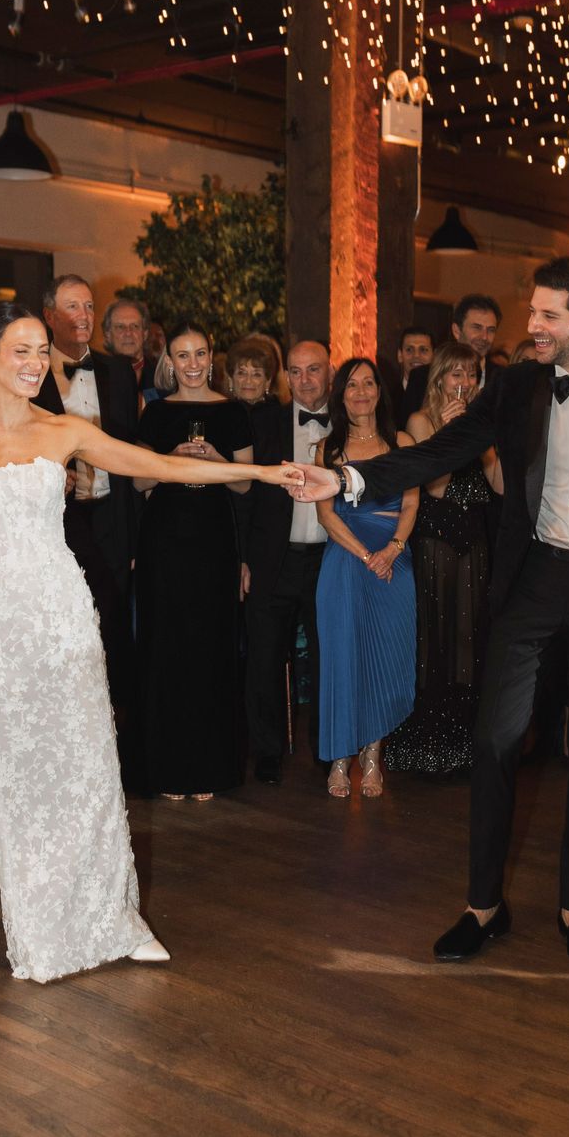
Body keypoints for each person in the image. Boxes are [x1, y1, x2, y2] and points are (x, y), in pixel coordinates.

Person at [0, 303, 300, 982]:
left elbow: (159, 465)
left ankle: (116, 920)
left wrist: (268, 474)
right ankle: (40, 933)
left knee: (88, 769)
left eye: (42, 351)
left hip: (62, 616)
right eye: (22, 351)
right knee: (18, 782)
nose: (36, 363)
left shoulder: (66, 431)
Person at [291, 257, 569, 966]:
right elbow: (440, 450)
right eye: (532, 312)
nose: (531, 326)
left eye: (547, 316)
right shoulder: (514, 386)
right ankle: (483, 906)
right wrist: (347, 478)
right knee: (493, 742)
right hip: (533, 578)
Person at [134, 320, 255, 800]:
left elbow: (244, 483)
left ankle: (208, 768)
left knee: (211, 647)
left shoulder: (233, 411)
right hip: (164, 541)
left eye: (199, 353)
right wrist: (171, 459)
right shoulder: (155, 412)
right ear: (170, 361)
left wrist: (217, 460)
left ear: (211, 356)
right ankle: (167, 767)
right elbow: (139, 481)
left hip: (213, 541)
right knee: (166, 646)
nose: (192, 364)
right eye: (182, 355)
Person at [385, 343, 497, 777]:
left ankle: (466, 746)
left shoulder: (480, 420)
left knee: (471, 638)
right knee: (436, 637)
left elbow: (499, 484)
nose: (463, 383)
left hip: (474, 537)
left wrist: (484, 439)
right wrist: (453, 434)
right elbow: (434, 487)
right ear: (439, 378)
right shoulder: (421, 421)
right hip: (435, 538)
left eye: (470, 375)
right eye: (455, 374)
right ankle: (428, 746)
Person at [315, 360, 417, 798]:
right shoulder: (327, 449)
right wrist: (365, 555)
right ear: (341, 394)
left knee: (387, 654)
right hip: (345, 559)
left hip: (395, 558)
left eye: (368, 383)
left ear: (380, 390)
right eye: (352, 385)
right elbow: (325, 514)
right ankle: (340, 758)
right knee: (342, 656)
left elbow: (411, 504)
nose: (361, 392)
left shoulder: (403, 442)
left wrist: (391, 550)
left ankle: (373, 755)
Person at [39, 275, 138, 708]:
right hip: (57, 521)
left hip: (113, 514)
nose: (84, 316)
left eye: (89, 306)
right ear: (49, 316)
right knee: (65, 626)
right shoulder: (31, 374)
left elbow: (131, 453)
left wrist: (133, 534)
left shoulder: (118, 371)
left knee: (114, 627)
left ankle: (117, 724)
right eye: (72, 306)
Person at [242, 340, 332, 784]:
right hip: (272, 559)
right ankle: (267, 752)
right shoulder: (264, 422)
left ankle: (327, 750)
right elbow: (245, 496)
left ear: (329, 372)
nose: (304, 380)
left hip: (329, 560)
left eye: (313, 369)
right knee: (264, 657)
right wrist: (243, 558)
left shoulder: (350, 422)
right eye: (295, 372)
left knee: (328, 657)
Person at [102, 294, 158, 404]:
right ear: (108, 335)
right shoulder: (96, 379)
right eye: (120, 327)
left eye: (135, 326)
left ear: (145, 334)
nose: (128, 333)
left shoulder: (163, 380)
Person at [452, 294, 503, 391]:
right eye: (477, 328)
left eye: (491, 330)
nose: (484, 337)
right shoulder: (426, 377)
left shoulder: (503, 380)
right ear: (457, 331)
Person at [225, 335, 280, 412]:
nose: (248, 381)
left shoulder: (281, 416)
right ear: (231, 380)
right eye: (241, 373)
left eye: (256, 374)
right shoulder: (219, 415)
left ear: (268, 382)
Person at [393, 327, 434, 430]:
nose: (416, 356)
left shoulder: (443, 395)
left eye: (423, 350)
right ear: (400, 355)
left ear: (434, 356)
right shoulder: (387, 398)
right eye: (409, 350)